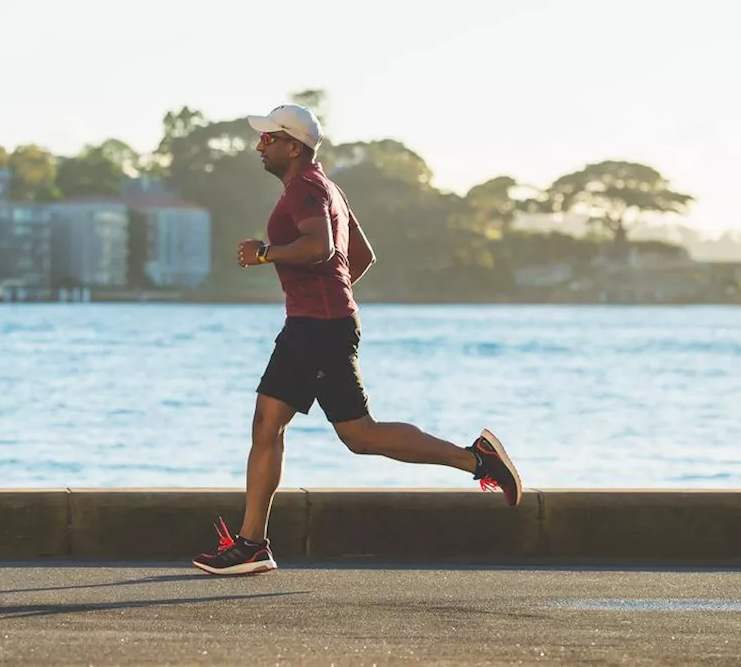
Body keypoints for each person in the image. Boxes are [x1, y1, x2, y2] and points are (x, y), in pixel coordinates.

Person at [192, 104, 522, 576]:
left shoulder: (306, 188)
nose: (259, 146)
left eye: (268, 139)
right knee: (268, 423)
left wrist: (267, 254)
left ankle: (477, 460)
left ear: (293, 145)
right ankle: (252, 545)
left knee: (359, 435)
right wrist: (330, 296)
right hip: (313, 325)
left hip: (318, 329)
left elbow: (323, 248)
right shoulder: (327, 188)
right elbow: (360, 256)